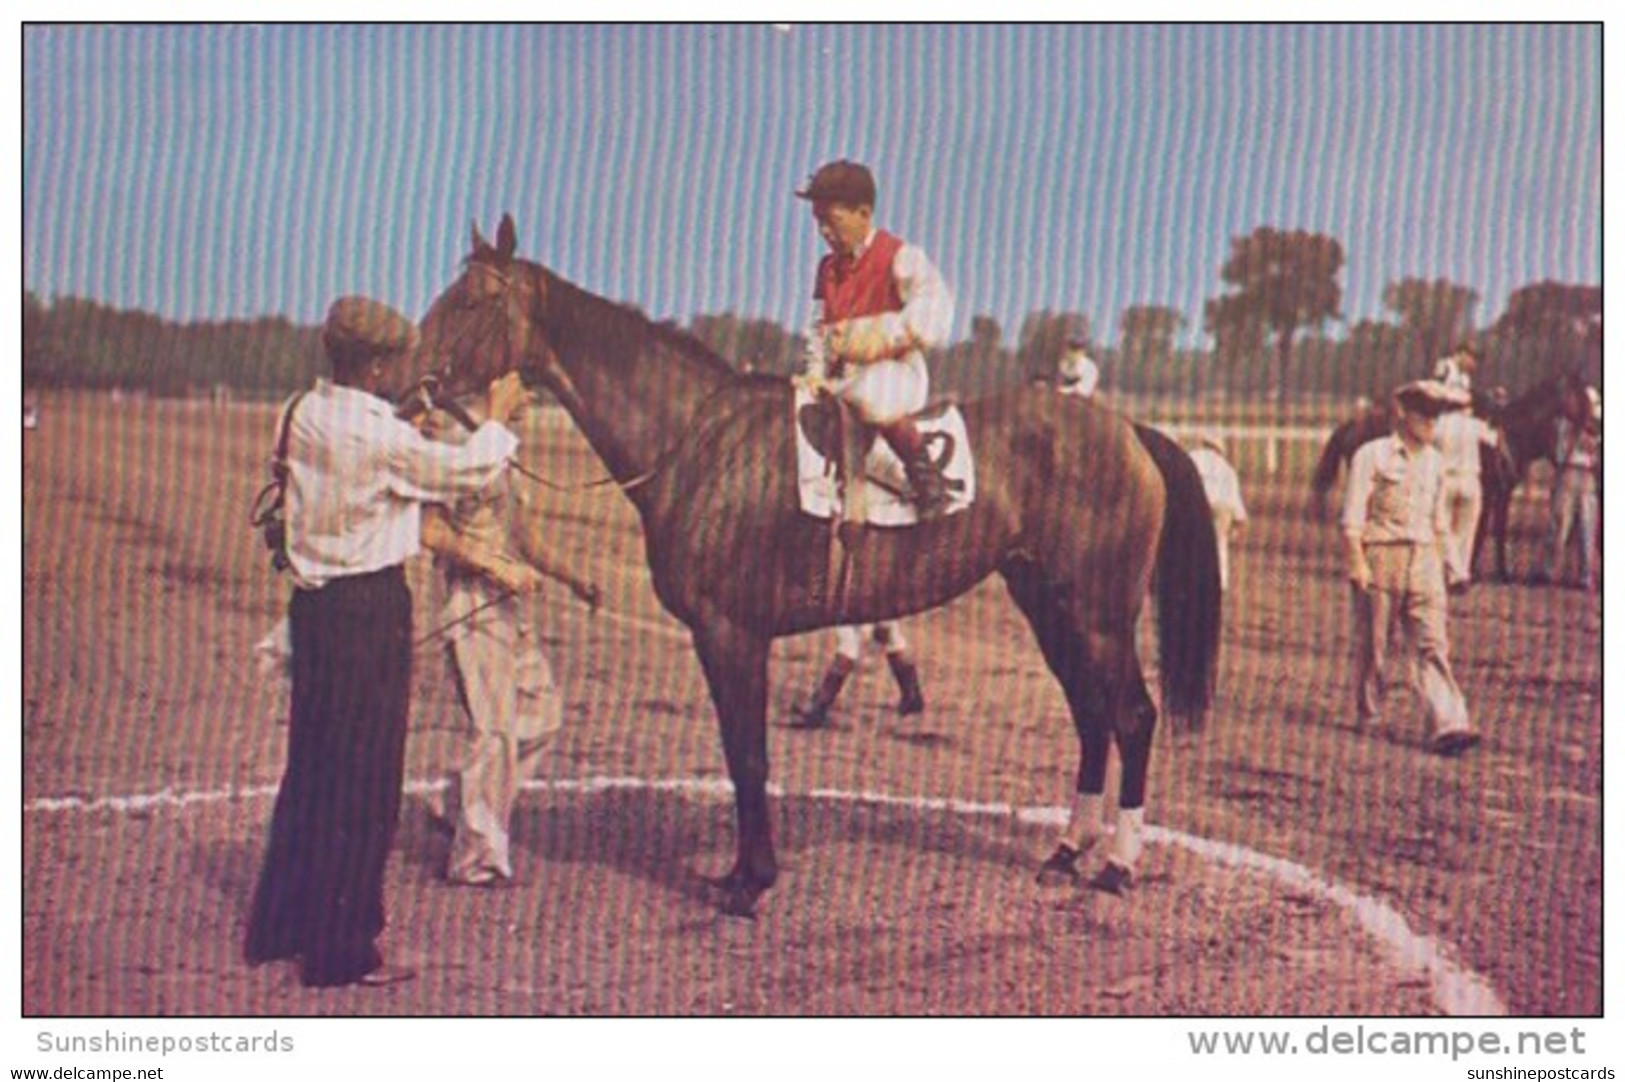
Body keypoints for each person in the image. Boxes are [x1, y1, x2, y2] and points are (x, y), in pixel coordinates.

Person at [244, 296, 530, 988]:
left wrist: (404, 428)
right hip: (368, 612)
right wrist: (496, 420)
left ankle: (281, 925)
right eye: (394, 361)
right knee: (365, 784)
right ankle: (342, 952)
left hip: (312, 610)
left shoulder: (303, 411)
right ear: (375, 367)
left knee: (312, 769)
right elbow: (465, 473)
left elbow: (364, 455)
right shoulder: (378, 437)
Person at [411, 398, 601, 888]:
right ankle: (476, 861)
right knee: (493, 732)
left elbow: (527, 537)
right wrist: (495, 566)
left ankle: (458, 805)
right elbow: (430, 528)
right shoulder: (455, 444)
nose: (532, 399)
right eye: (524, 386)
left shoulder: (501, 452)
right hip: (472, 603)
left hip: (508, 607)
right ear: (498, 384)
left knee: (543, 712)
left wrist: (574, 578)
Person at [795, 159, 956, 518]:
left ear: (863, 213)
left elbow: (937, 307)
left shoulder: (901, 257)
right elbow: (818, 326)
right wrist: (814, 371)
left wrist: (882, 334)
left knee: (869, 395)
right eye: (817, 222)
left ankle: (927, 480)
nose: (823, 231)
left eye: (831, 221)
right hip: (844, 378)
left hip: (896, 371)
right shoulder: (827, 269)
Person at [1342, 379, 1479, 757]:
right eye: (1424, 414)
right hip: (1381, 558)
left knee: (1432, 644)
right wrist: (1357, 562)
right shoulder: (1371, 455)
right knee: (1374, 647)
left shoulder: (1436, 462)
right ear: (1402, 413)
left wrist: (1456, 566)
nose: (1431, 422)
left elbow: (1439, 522)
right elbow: (1352, 515)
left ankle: (1450, 722)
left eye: (1435, 415)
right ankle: (1367, 712)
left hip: (1424, 561)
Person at [788, 622, 925, 729]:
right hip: (883, 596)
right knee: (893, 639)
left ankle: (818, 709)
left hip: (856, 596)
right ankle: (912, 697)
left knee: (849, 644)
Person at [1432, 393, 1501, 593]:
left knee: (1443, 529)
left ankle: (1454, 573)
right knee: (1466, 531)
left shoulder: (1438, 423)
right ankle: (1460, 573)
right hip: (1471, 479)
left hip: (1444, 478)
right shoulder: (1475, 425)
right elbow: (1494, 440)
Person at [1543, 381, 1600, 592]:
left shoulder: (1591, 425)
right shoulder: (1563, 423)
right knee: (1561, 524)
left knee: (1585, 526)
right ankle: (1552, 571)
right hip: (1570, 470)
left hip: (1580, 472)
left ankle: (1584, 575)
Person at [1185, 432, 1247, 591]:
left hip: (1196, 505)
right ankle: (1220, 582)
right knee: (1219, 544)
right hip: (1221, 508)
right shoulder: (1227, 468)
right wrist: (1238, 523)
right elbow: (1234, 500)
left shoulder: (1191, 458)